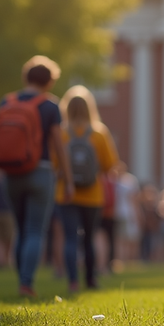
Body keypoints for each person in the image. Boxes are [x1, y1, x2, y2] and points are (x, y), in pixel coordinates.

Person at [0, 55, 73, 297]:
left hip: (10, 173)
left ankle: (21, 280)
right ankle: (26, 283)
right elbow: (59, 146)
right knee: (35, 230)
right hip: (41, 172)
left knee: (21, 229)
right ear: (49, 82)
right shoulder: (50, 106)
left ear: (26, 77)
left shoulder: (7, 101)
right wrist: (67, 180)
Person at [56, 85, 119, 292]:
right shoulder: (99, 133)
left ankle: (72, 280)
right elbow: (111, 166)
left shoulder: (61, 133)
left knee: (70, 238)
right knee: (89, 238)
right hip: (93, 195)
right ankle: (90, 280)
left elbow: (54, 164)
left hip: (67, 193)